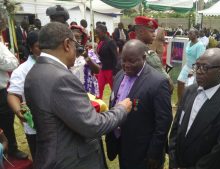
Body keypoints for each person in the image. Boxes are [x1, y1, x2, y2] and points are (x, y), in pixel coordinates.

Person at [24, 22, 132, 169]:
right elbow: (93, 125)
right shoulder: (61, 78)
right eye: (75, 44)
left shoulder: (33, 72)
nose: (77, 50)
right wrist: (121, 109)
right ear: (67, 44)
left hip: (49, 154)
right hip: (71, 160)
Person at [169, 48, 220, 169]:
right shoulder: (189, 91)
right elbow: (176, 128)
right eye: (197, 66)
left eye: (205, 67)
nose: (198, 72)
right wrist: (173, 160)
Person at [106, 40, 172, 169]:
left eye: (132, 61)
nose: (126, 65)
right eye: (123, 60)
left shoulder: (158, 82)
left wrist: (154, 153)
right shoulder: (120, 75)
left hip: (143, 151)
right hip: (122, 145)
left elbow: (164, 122)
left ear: (144, 58)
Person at [7, 31, 40, 160]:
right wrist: (19, 112)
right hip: (35, 127)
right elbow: (13, 95)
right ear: (31, 48)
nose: (43, 50)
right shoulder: (22, 71)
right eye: (39, 46)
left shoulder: (57, 64)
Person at [0, 33, 29, 159]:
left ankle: (12, 148)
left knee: (7, 121)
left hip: (1, 91)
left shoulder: (0, 47)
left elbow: (14, 63)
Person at [134, 16, 172, 91]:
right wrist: (169, 82)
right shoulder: (140, 51)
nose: (154, 34)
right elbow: (160, 73)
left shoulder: (137, 48)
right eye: (151, 32)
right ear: (141, 32)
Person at [69, 25, 101, 97]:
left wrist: (86, 57)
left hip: (89, 92)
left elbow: (97, 70)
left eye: (80, 37)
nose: (78, 40)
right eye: (75, 37)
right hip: (72, 91)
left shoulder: (89, 52)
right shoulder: (66, 54)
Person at [177, 29, 205, 104]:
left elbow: (200, 60)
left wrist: (193, 70)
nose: (188, 34)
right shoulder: (189, 42)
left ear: (196, 35)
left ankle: (187, 104)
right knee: (180, 81)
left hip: (195, 68)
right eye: (188, 33)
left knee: (190, 87)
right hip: (187, 66)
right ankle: (180, 102)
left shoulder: (200, 45)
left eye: (191, 33)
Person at [95, 24, 118, 99]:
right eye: (96, 33)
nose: (97, 35)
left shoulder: (111, 42)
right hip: (103, 69)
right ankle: (100, 105)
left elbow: (115, 57)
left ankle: (114, 104)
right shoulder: (101, 42)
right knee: (100, 87)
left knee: (113, 90)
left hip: (110, 70)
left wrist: (114, 72)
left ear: (104, 32)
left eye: (98, 33)